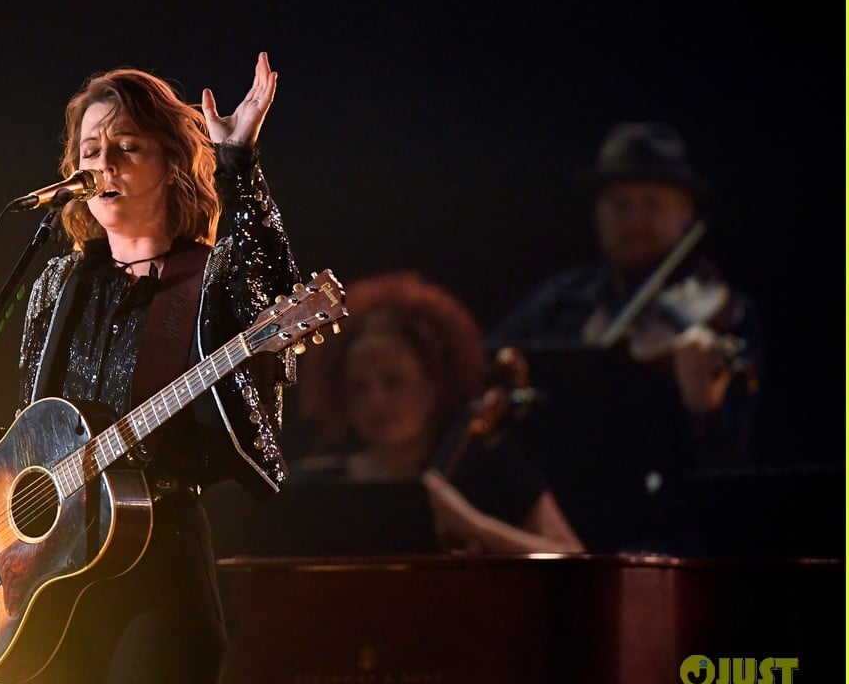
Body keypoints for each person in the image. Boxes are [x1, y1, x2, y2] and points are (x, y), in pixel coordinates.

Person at [0, 52, 299, 684]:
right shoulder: (58, 283)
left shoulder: (206, 280)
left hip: (156, 577)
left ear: (171, 164)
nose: (103, 164)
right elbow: (41, 429)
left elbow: (271, 299)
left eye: (125, 148)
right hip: (43, 586)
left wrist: (238, 160)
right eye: (90, 150)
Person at [487, 122, 763, 555]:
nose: (635, 221)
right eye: (619, 205)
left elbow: (733, 467)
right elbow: (485, 364)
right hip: (555, 529)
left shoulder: (728, 316)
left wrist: (705, 409)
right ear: (598, 213)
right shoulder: (560, 302)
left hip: (671, 542)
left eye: (653, 205)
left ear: (685, 212)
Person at [293, 271, 583, 555]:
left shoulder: (492, 470)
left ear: (434, 382)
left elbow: (573, 558)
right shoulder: (322, 483)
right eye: (359, 388)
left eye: (394, 381)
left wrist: (472, 525)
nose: (377, 401)